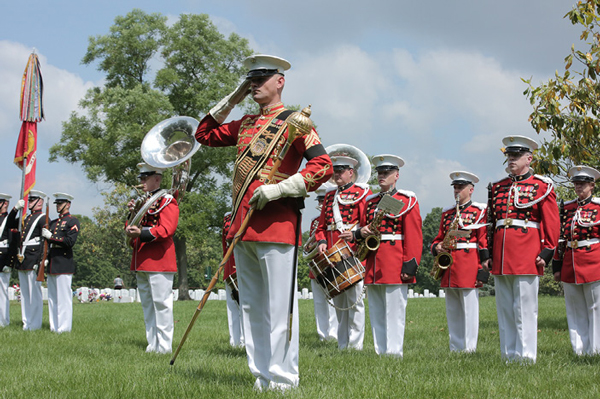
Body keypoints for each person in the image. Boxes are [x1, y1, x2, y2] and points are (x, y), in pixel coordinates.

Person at [195, 54, 332, 391]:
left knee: (278, 304)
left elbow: (323, 166)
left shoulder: (296, 123)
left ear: (279, 81)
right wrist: (235, 96)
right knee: (252, 304)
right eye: (250, 79)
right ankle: (261, 375)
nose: (255, 84)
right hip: (242, 226)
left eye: (261, 79)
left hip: (277, 225)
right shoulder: (244, 124)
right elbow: (203, 133)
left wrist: (279, 189)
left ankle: (284, 377)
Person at [484, 135, 559, 363]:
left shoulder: (541, 186)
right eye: (509, 156)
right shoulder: (498, 187)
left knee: (524, 309)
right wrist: (487, 253)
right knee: (505, 309)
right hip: (501, 253)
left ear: (529, 158)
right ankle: (509, 355)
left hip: (527, 253)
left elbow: (551, 222)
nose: (511, 160)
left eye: (516, 156)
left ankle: (526, 356)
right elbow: (491, 222)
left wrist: (547, 251)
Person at [356, 154, 422, 357]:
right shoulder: (370, 201)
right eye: (380, 173)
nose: (381, 176)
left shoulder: (407, 199)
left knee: (394, 311)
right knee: (376, 310)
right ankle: (380, 351)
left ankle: (394, 352)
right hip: (374, 261)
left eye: (386, 173)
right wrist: (363, 231)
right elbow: (361, 227)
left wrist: (409, 265)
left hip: (394, 261)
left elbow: (414, 235)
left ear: (397, 175)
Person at [315, 155, 371, 350]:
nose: (337, 174)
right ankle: (342, 344)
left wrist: (355, 234)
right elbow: (321, 226)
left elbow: (367, 224)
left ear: (351, 173)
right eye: (335, 171)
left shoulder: (362, 193)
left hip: (352, 254)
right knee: (339, 303)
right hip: (332, 255)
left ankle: (355, 346)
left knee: (355, 302)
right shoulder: (329, 195)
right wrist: (321, 241)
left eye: (341, 171)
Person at [431, 171, 489, 353]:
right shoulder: (447, 212)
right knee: (453, 310)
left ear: (471, 189)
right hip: (449, 266)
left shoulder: (479, 211)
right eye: (455, 187)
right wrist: (437, 246)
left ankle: (470, 348)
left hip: (468, 265)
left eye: (461, 187)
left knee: (470, 310)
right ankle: (455, 347)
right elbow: (438, 238)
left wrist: (482, 270)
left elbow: (483, 242)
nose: (457, 190)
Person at [125, 162, 179, 354]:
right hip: (142, 259)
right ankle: (153, 344)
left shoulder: (167, 201)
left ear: (157, 178)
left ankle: (164, 347)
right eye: (141, 178)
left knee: (162, 305)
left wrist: (141, 233)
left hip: (159, 260)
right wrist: (131, 214)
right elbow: (131, 225)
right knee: (148, 305)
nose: (142, 182)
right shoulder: (142, 201)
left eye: (145, 178)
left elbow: (167, 229)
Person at [553, 165, 600, 355]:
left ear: (592, 186)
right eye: (576, 184)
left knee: (595, 308)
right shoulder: (567, 208)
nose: (578, 187)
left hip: (594, 262)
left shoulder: (598, 207)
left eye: (582, 184)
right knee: (575, 309)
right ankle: (579, 350)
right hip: (570, 263)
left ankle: (595, 350)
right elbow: (560, 238)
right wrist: (557, 266)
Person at [41, 192, 80, 333]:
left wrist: (52, 236)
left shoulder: (72, 221)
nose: (57, 206)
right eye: (57, 204)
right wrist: (45, 259)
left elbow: (70, 242)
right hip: (52, 262)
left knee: (63, 298)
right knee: (52, 298)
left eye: (60, 204)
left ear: (68, 204)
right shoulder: (52, 223)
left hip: (64, 262)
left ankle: (64, 328)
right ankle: (54, 326)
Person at [305, 185, 338, 342]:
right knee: (319, 302)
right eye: (319, 201)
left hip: (330, 263)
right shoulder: (314, 221)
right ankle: (322, 334)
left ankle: (333, 333)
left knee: (332, 300)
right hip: (316, 265)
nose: (320, 204)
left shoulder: (335, 221)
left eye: (323, 201)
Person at [14, 190, 46, 331]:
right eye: (29, 200)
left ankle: (35, 324)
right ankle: (27, 323)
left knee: (35, 294)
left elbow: (44, 243)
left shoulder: (43, 218)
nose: (30, 203)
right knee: (25, 294)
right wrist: (16, 210)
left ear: (40, 202)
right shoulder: (25, 218)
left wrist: (39, 261)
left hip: (33, 259)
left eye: (32, 200)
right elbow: (10, 224)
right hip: (23, 258)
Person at [222, 211, 244, 348]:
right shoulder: (228, 217)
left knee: (246, 307)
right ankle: (235, 341)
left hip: (245, 266)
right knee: (233, 308)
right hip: (230, 267)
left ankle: (245, 340)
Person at [0, 194, 22, 327]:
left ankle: (3, 321)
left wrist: (9, 262)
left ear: (5, 204)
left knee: (2, 293)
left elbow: (14, 243)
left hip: (3, 258)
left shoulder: (10, 220)